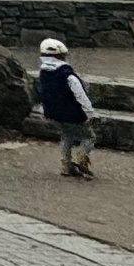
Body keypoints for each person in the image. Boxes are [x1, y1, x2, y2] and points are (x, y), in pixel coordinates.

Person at [38, 37, 96, 178]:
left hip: (54, 113)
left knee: (67, 136)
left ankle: (66, 166)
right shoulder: (67, 75)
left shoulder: (44, 73)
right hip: (73, 114)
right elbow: (80, 95)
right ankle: (80, 157)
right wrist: (89, 113)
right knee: (89, 137)